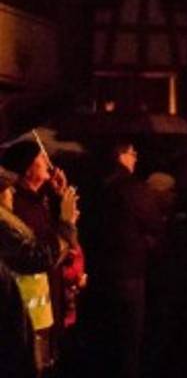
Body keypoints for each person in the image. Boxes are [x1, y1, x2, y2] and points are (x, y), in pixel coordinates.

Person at [84, 140, 165, 378]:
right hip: (129, 274)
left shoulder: (95, 186)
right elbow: (155, 225)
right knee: (129, 342)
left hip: (98, 274)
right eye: (133, 153)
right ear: (121, 155)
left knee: (104, 341)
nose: (136, 158)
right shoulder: (133, 188)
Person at [1, 139, 82, 373]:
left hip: (45, 306)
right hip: (26, 315)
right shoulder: (16, 212)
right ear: (28, 168)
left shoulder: (39, 201)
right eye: (40, 157)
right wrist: (66, 224)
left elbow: (58, 241)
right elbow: (39, 254)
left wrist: (58, 200)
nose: (48, 161)